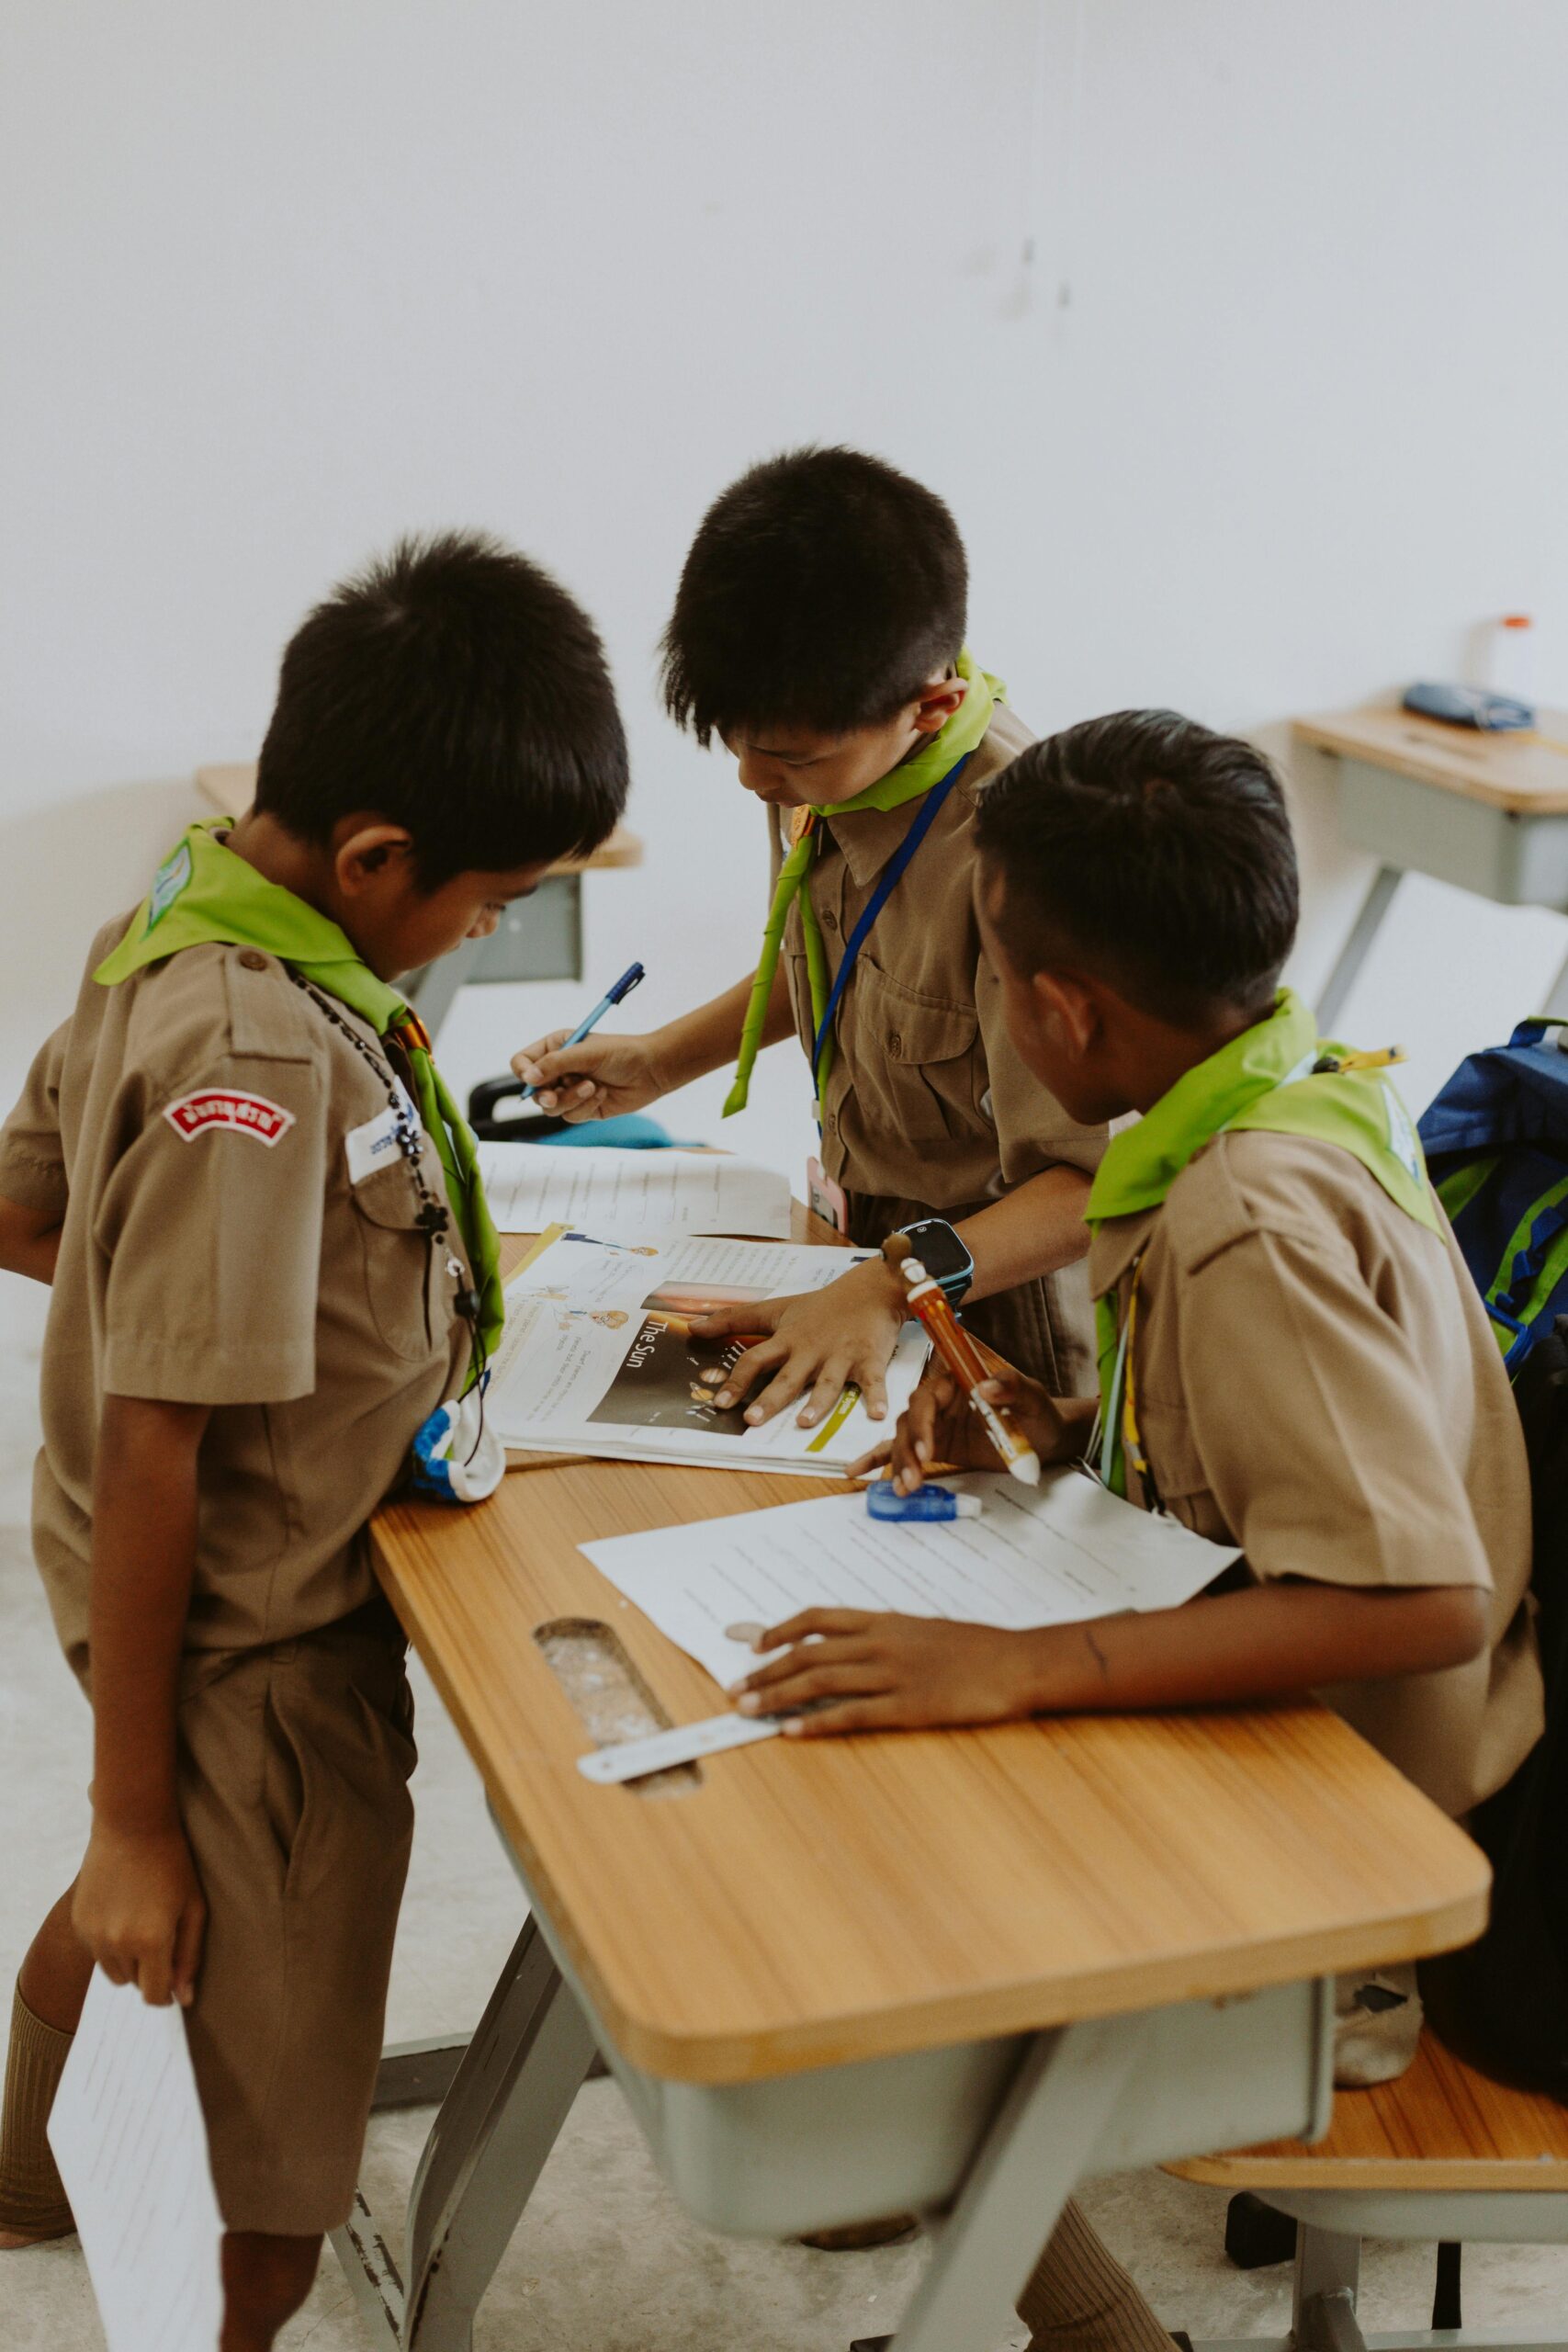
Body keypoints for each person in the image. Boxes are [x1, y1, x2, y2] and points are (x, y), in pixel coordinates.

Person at [728, 708, 1545, 2352]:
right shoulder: (1272, 1088)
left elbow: (1421, 1605)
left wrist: (1023, 1667)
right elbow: (1259, 1462)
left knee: (881, 1925)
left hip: (1374, 1808)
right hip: (1320, 1715)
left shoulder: (1245, 1208)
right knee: (868, 1780)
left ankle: (1107, 2338)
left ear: (1058, 1010)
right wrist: (1044, 1433)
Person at [0, 532, 627, 2350]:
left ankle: (21, 2155)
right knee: (271, 2177)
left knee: (160, 1899)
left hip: (177, 1599)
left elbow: (35, 1198)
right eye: (489, 901)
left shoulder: (178, 907)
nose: (487, 933)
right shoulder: (259, 1063)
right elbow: (154, 1450)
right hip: (255, 1644)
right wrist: (133, 1816)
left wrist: (257, 1309)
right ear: (370, 857)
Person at [512, 447, 1107, 1433]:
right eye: (735, 743)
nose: (753, 779)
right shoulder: (830, 764)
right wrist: (660, 1061)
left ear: (933, 707)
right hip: (861, 1257)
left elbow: (1090, 1184)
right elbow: (842, 967)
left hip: (1001, 1307)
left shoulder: (1028, 853)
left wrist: (891, 1287)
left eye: (784, 755)